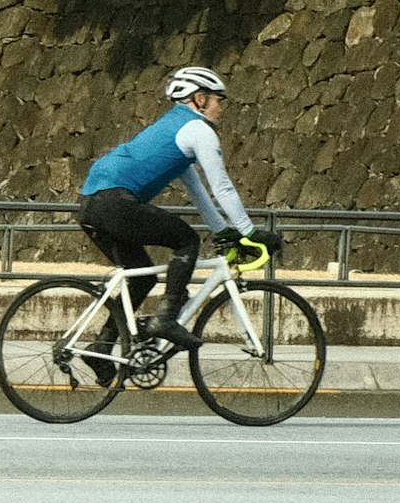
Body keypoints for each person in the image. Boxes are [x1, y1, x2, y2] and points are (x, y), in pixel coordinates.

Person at [78, 64, 269, 351]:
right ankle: (166, 320)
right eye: (218, 100)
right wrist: (249, 233)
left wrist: (222, 231)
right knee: (186, 239)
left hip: (90, 205)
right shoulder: (198, 130)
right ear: (200, 99)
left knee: (142, 278)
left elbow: (197, 191)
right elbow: (222, 187)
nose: (221, 108)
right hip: (114, 202)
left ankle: (101, 348)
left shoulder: (172, 130)